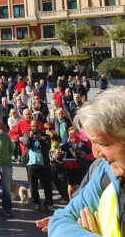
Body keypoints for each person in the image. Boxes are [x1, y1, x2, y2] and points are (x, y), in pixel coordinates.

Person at [48, 88, 125, 236]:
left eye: (104, 144)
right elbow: (60, 219)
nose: (96, 154)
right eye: (92, 142)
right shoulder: (106, 172)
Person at [22, 120, 54, 214]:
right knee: (33, 186)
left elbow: (47, 147)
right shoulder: (27, 134)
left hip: (43, 164)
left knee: (47, 185)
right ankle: (36, 203)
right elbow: (26, 144)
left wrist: (40, 140)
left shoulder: (45, 136)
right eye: (32, 126)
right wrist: (31, 137)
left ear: (40, 127)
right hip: (31, 164)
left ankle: (49, 204)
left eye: (36, 125)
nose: (34, 128)